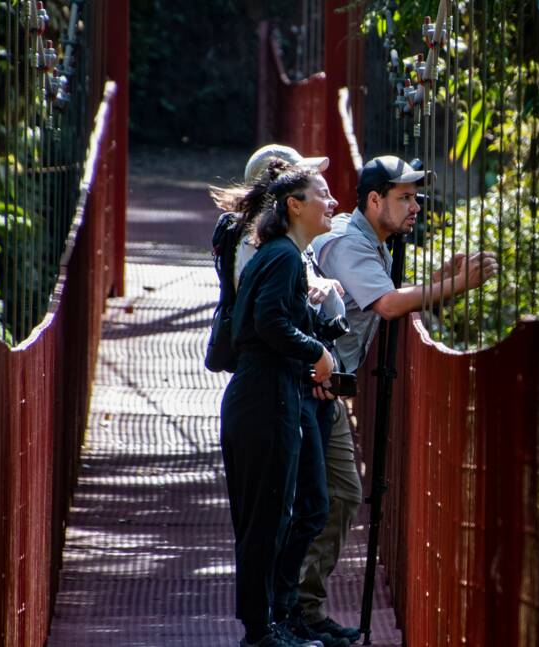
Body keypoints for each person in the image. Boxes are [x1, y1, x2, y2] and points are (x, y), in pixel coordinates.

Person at [297, 155, 497, 639]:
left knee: (334, 496)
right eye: (404, 197)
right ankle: (293, 611)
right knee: (328, 497)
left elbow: (381, 292)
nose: (415, 207)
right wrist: (454, 286)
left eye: (415, 197)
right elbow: (386, 304)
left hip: (323, 385)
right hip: (308, 385)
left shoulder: (368, 241)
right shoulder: (350, 244)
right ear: (374, 200)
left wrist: (439, 281)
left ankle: (301, 610)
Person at [219, 161, 338, 647]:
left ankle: (267, 625)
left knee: (269, 519)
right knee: (265, 521)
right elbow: (269, 322)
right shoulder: (285, 256)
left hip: (263, 394)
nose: (332, 203)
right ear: (295, 205)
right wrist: (317, 352)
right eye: (322, 194)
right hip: (266, 398)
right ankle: (260, 632)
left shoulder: (279, 253)